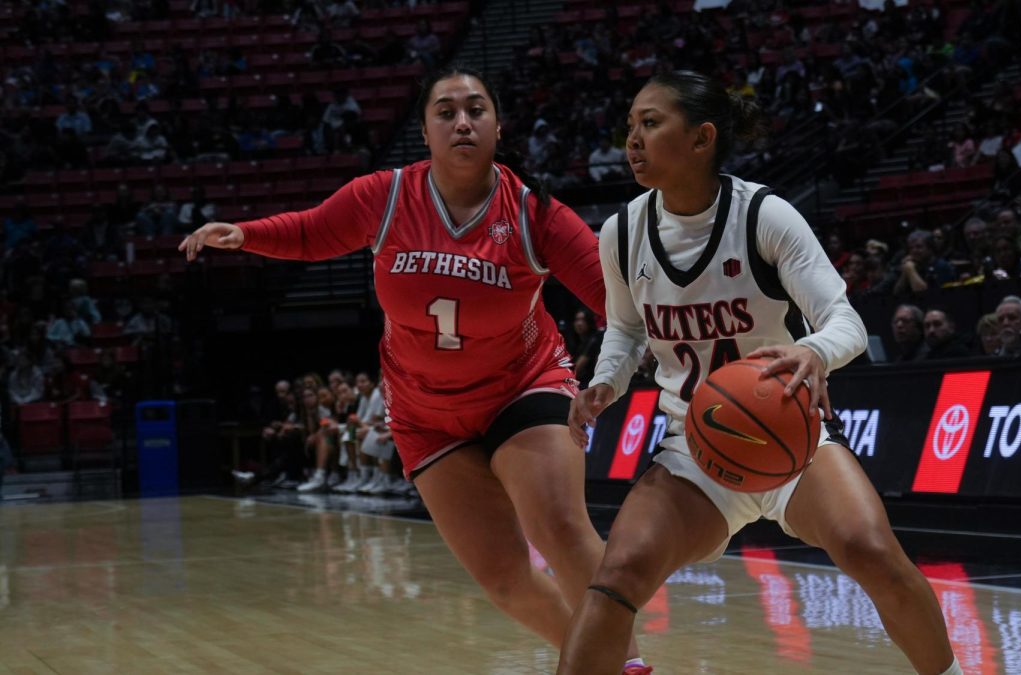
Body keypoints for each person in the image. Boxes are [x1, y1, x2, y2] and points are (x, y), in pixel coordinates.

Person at [179, 65, 647, 673]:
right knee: (505, 581)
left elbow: (622, 303)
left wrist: (681, 352)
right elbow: (314, 232)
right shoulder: (384, 195)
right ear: (424, 131)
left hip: (523, 386)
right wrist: (244, 234)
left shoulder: (536, 214)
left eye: (476, 110)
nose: (461, 122)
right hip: (425, 413)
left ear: (497, 128)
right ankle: (591, 657)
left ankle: (628, 664)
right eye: (446, 111)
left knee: (560, 525)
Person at [557, 71, 959, 675]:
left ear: (702, 138)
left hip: (790, 433)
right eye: (630, 126)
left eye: (650, 122)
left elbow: (843, 320)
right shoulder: (622, 232)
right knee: (615, 577)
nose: (631, 140)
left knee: (871, 550)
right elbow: (625, 328)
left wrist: (814, 352)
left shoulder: (765, 215)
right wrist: (607, 382)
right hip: (693, 446)